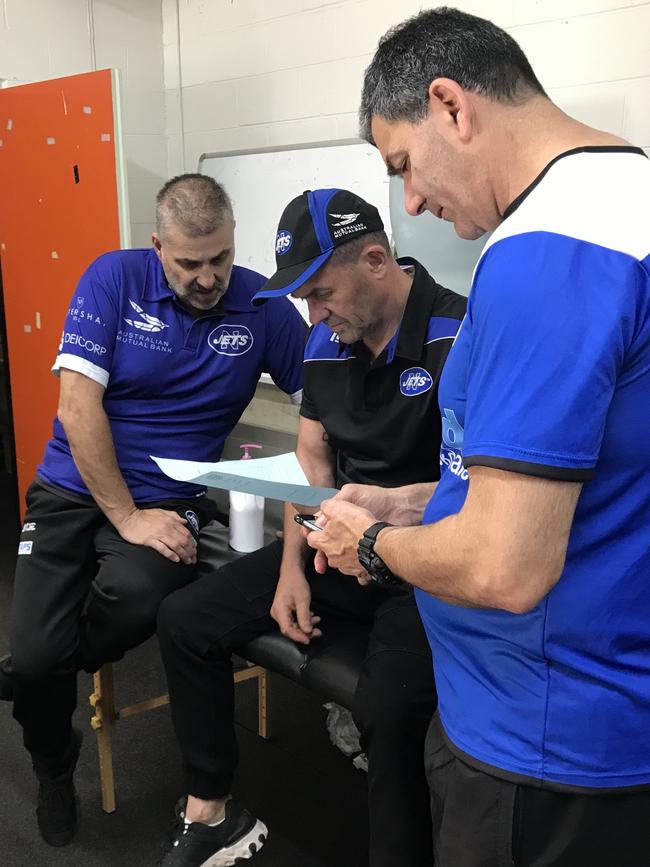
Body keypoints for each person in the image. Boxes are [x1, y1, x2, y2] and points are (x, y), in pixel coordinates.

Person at [306, 8, 650, 867]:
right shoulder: (625, 196)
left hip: (542, 747)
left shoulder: (546, 253)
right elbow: (580, 474)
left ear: (451, 106)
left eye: (404, 167)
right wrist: (416, 500)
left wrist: (375, 542)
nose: (411, 202)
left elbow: (507, 564)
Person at [154, 188, 467, 867]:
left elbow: (482, 495)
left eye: (321, 291)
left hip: (424, 569)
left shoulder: (460, 337)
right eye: (302, 297)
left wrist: (389, 533)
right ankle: (213, 812)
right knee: (184, 618)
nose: (312, 314)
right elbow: (312, 463)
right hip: (335, 551)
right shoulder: (326, 340)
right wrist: (293, 567)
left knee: (388, 705)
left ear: (377, 261)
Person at [0, 173, 306, 847]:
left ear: (233, 242)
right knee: (36, 652)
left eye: (220, 258)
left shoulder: (260, 304)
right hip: (71, 489)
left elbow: (324, 389)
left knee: (130, 601)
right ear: (157, 246)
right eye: (189, 263)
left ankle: (35, 668)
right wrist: (126, 515)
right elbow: (76, 408)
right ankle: (54, 763)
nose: (209, 278)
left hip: (168, 498)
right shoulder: (113, 279)